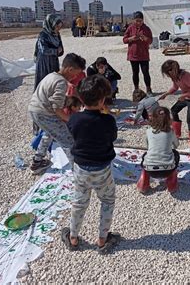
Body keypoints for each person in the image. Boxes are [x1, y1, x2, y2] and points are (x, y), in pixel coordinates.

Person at [60, 75, 120, 254]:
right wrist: (106, 114)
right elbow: (113, 137)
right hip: (102, 168)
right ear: (102, 100)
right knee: (107, 200)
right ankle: (102, 239)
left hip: (81, 168)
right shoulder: (108, 120)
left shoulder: (74, 119)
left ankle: (73, 238)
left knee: (79, 203)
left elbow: (73, 133)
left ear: (81, 98)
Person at [28, 53, 86, 174]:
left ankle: (37, 162)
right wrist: (72, 121)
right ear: (70, 69)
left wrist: (76, 96)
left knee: (49, 134)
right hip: (45, 113)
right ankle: (78, 172)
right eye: (76, 74)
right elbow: (57, 109)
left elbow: (55, 99)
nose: (75, 77)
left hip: (35, 110)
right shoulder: (61, 83)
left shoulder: (52, 76)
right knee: (68, 140)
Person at [137, 106, 180, 194]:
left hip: (150, 169)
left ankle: (144, 181)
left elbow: (148, 147)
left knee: (146, 155)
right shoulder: (170, 131)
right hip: (167, 169)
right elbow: (176, 146)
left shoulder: (148, 131)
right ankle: (171, 181)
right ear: (168, 118)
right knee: (176, 154)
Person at [159, 60, 190, 148]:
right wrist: (166, 94)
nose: (167, 76)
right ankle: (177, 133)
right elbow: (175, 87)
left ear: (172, 71)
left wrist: (184, 95)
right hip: (185, 97)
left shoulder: (186, 76)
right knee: (174, 110)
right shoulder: (174, 76)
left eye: (167, 73)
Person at [123, 11, 153, 95]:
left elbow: (150, 41)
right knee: (135, 73)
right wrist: (131, 38)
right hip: (133, 55)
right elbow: (124, 40)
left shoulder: (146, 28)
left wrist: (145, 38)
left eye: (140, 21)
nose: (138, 23)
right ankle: (136, 89)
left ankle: (148, 88)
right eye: (137, 21)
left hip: (144, 55)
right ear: (133, 20)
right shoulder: (130, 28)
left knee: (145, 72)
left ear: (143, 20)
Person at [33, 14, 64, 91]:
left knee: (53, 80)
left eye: (60, 27)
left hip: (53, 60)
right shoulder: (43, 35)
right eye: (57, 27)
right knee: (44, 80)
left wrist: (60, 51)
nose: (58, 29)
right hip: (44, 62)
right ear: (51, 25)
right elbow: (43, 49)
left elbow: (60, 46)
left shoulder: (57, 34)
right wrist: (56, 51)